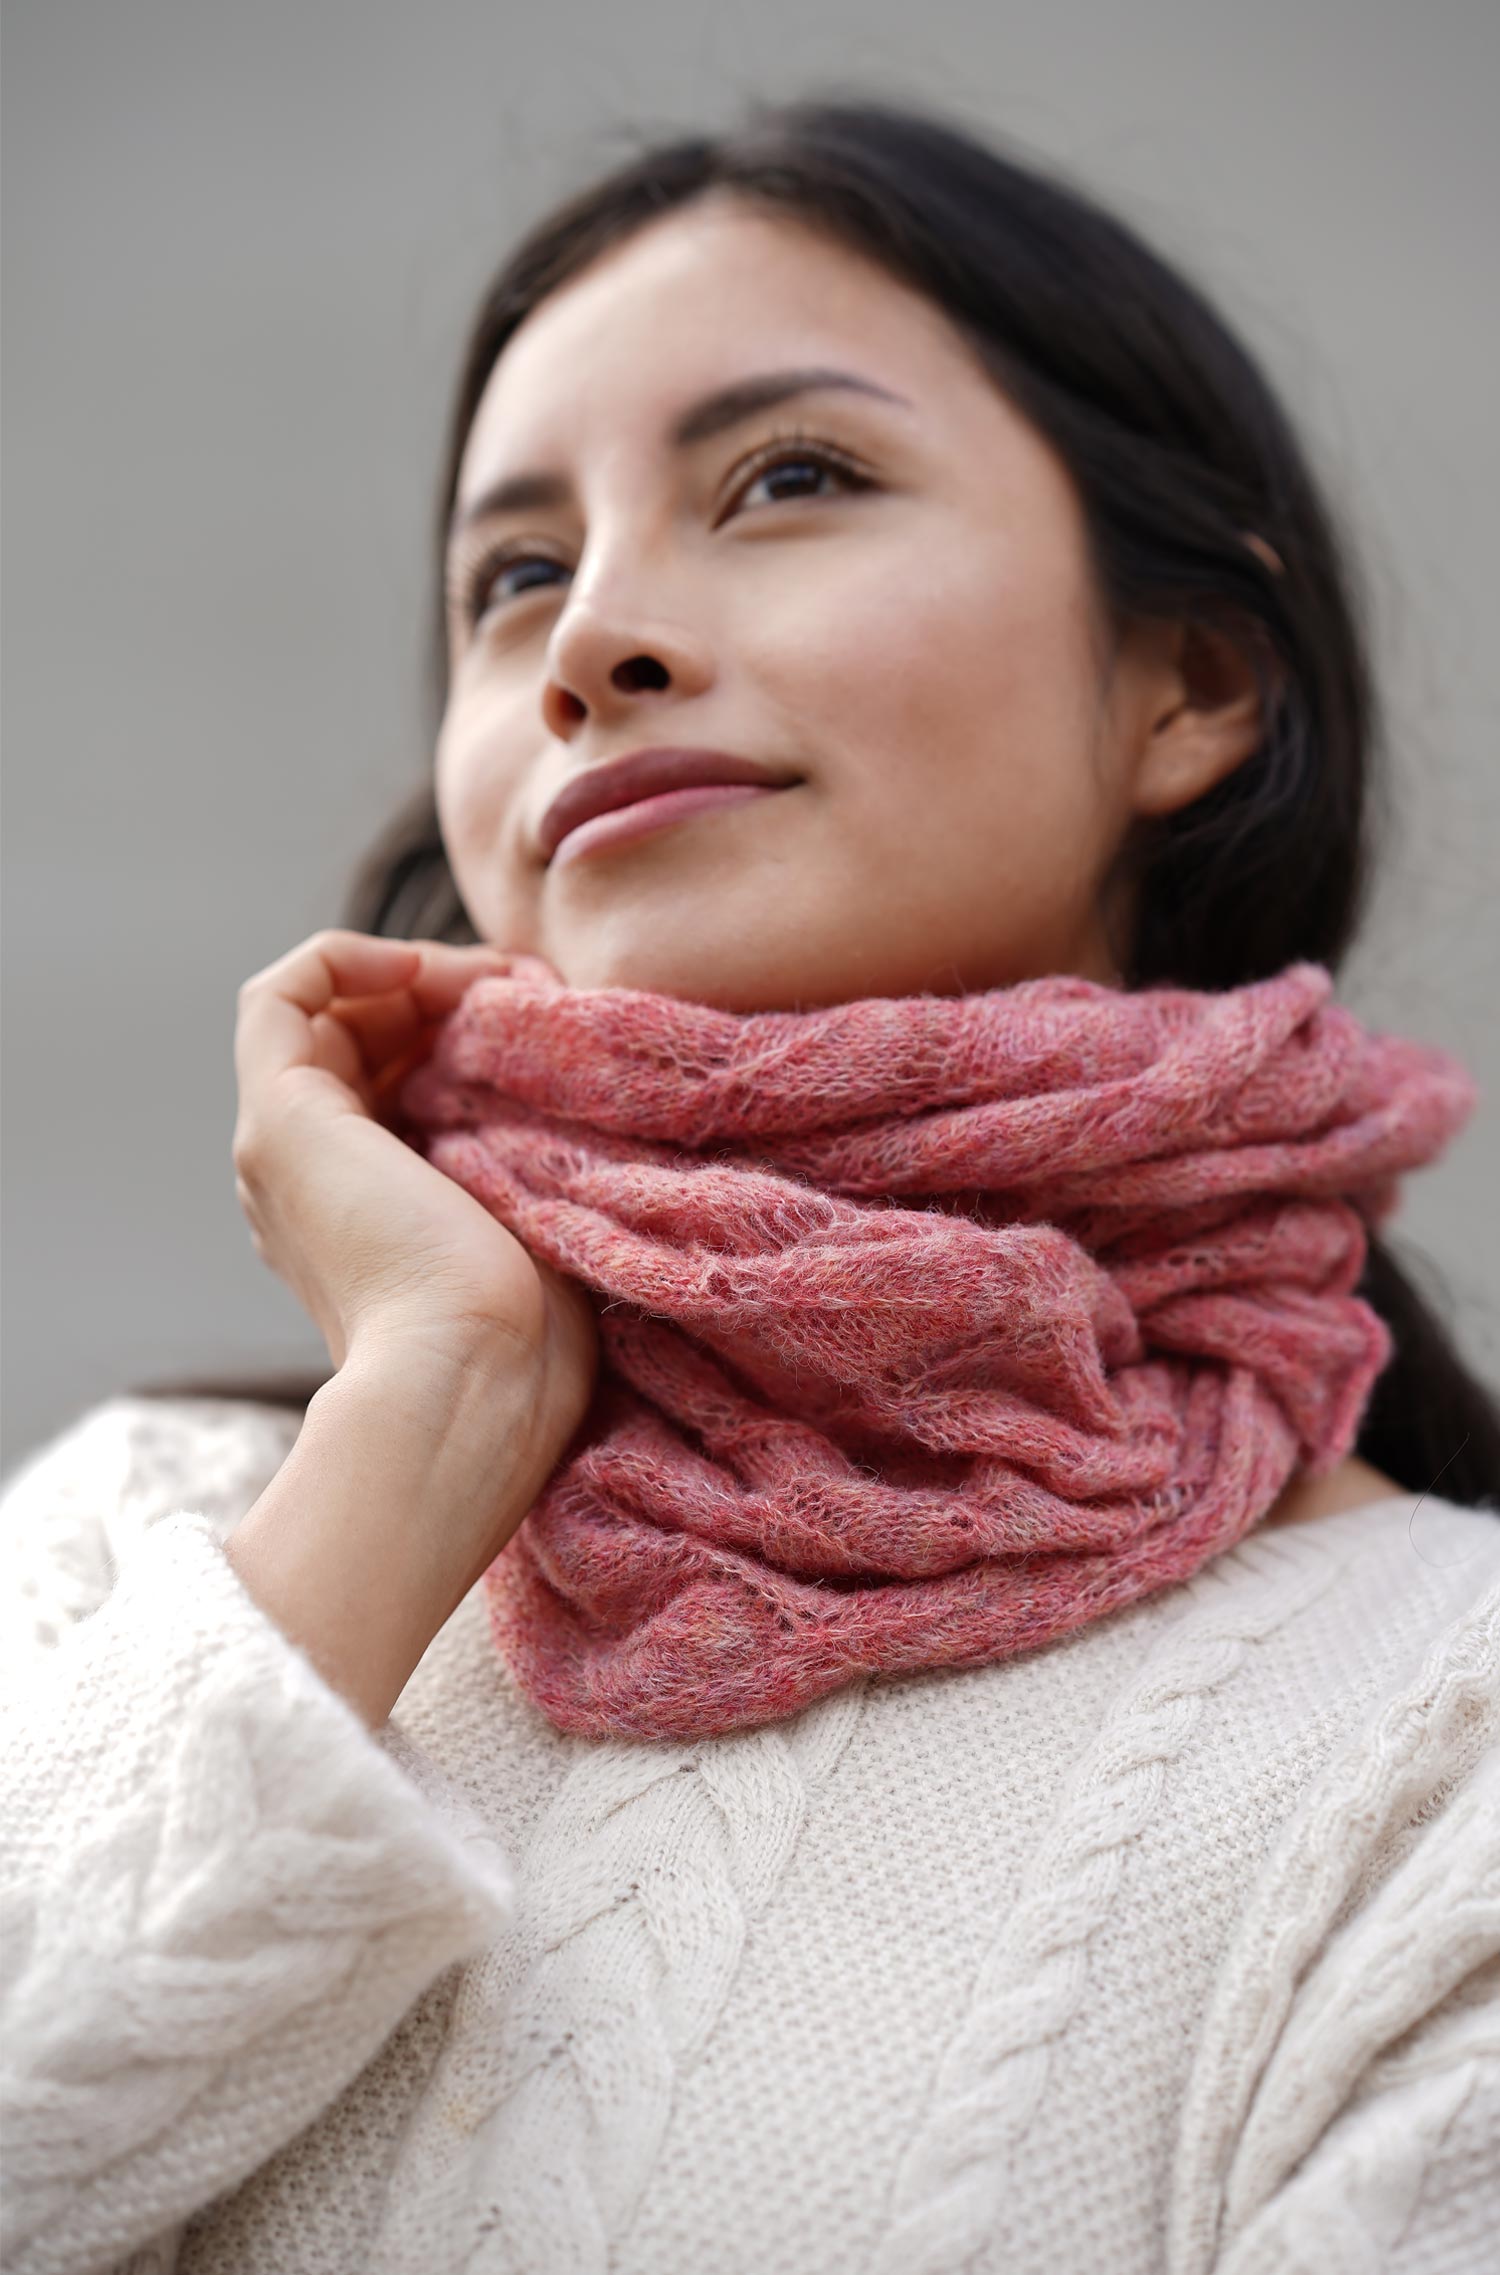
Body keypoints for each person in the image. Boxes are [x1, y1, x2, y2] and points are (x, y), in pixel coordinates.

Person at [3, 93, 1498, 2275]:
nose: (593, 635)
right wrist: (430, 1408)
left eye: (792, 478)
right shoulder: (142, 1552)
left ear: (1188, 683)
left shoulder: (1441, 1730)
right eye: (516, 576)